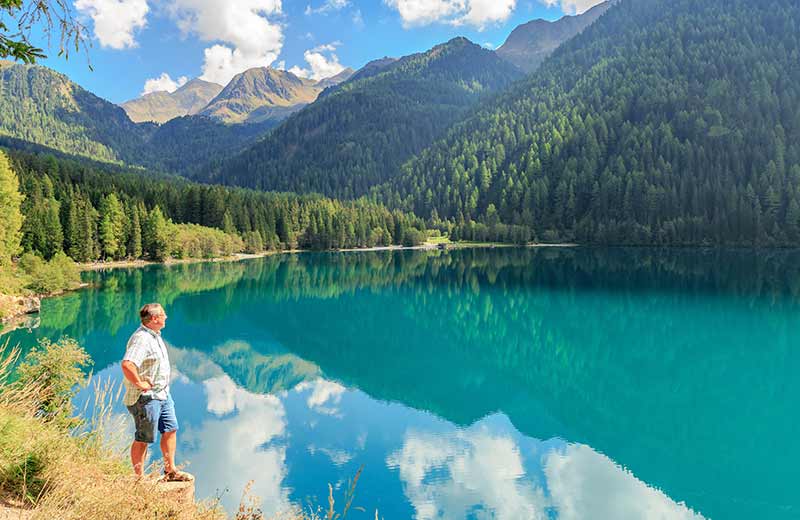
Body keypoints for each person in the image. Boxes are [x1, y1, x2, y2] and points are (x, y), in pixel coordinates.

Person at [121, 303, 193, 482]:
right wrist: (139, 383)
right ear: (154, 319)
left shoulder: (154, 336)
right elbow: (127, 364)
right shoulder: (142, 339)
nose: (166, 317)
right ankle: (139, 479)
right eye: (163, 315)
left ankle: (170, 471)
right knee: (144, 437)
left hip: (162, 394)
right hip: (146, 398)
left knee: (170, 429)